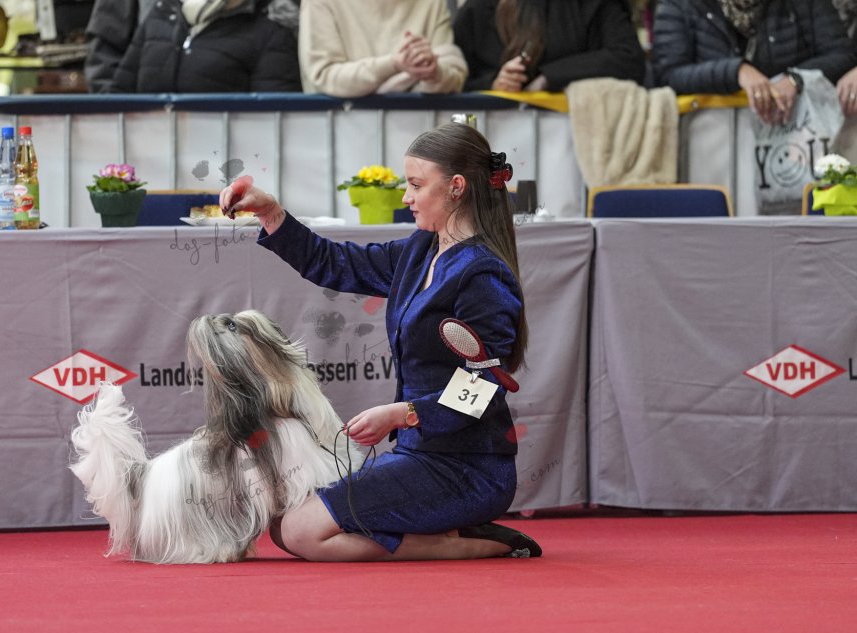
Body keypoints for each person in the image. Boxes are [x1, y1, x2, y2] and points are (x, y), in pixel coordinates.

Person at [218, 123, 542, 561]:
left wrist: (403, 414)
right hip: (417, 455)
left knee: (300, 531)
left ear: (456, 187)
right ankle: (450, 533)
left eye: (416, 185)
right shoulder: (420, 250)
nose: (406, 197)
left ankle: (472, 545)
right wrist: (271, 212)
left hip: (468, 468)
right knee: (282, 524)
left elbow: (482, 388)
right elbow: (334, 262)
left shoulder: (483, 274)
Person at [652, 0, 855, 126]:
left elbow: (842, 54)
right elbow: (668, 75)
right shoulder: (679, 5)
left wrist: (796, 78)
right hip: (710, 148)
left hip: (797, 141)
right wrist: (737, 71)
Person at [107, 0, 302, 93]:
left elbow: (272, 122)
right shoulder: (161, 15)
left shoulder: (271, 32)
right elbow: (120, 95)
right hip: (150, 155)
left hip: (226, 159)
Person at [453, 0, 647, 93]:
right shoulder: (477, 11)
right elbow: (456, 79)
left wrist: (550, 77)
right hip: (497, 142)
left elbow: (628, 57)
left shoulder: (595, 5)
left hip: (579, 141)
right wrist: (493, 84)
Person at [298, 0, 467, 96]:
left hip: (422, 131)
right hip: (341, 131)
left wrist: (433, 73)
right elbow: (324, 77)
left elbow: (452, 74)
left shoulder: (432, 3)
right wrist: (393, 65)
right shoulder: (321, 3)